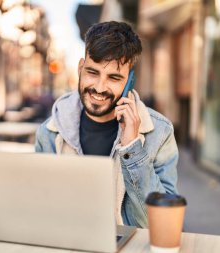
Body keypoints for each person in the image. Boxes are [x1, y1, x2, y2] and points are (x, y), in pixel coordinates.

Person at [35, 21, 178, 228]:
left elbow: (164, 224)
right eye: (93, 73)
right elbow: (39, 210)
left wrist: (132, 148)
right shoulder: (49, 133)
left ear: (130, 81)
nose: (100, 88)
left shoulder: (160, 132)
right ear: (80, 68)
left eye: (114, 77)